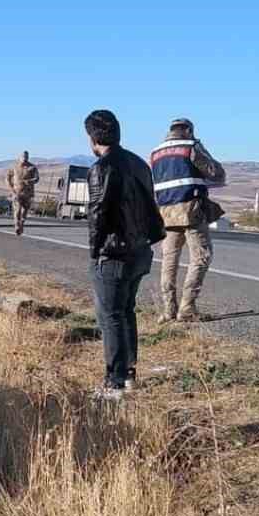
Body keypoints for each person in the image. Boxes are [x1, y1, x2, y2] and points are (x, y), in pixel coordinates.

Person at [85, 109, 165, 400]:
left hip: (114, 254)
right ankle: (129, 375)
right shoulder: (138, 163)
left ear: (93, 138)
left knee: (111, 316)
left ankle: (115, 382)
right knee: (126, 311)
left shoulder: (102, 168)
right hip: (140, 250)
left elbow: (98, 214)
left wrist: (95, 253)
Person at [149, 118, 227, 322]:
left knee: (169, 261)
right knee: (202, 256)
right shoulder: (190, 147)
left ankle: (168, 310)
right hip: (190, 210)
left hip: (165, 212)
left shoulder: (155, 152)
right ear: (188, 130)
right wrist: (203, 149)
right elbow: (216, 173)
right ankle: (188, 308)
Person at [5, 150, 40, 235]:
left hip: (28, 193)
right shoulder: (14, 167)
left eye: (26, 157)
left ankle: (21, 224)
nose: (24, 158)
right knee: (17, 210)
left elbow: (37, 178)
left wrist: (30, 181)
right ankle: (17, 225)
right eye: (23, 157)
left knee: (25, 210)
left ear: (28, 157)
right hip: (17, 192)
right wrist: (11, 188)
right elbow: (7, 178)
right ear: (20, 157)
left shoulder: (32, 167)